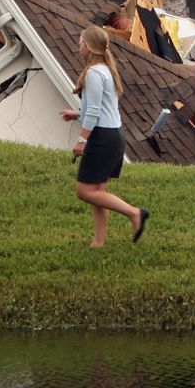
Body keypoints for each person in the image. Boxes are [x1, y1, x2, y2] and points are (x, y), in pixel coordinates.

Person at [59, 25, 149, 247]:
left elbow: (94, 112)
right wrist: (76, 114)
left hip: (103, 137)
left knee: (84, 191)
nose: (78, 46)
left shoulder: (94, 74)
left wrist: (81, 140)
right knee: (96, 192)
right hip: (111, 133)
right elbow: (99, 109)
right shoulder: (105, 70)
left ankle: (135, 213)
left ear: (88, 47)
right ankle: (97, 243)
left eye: (80, 42)